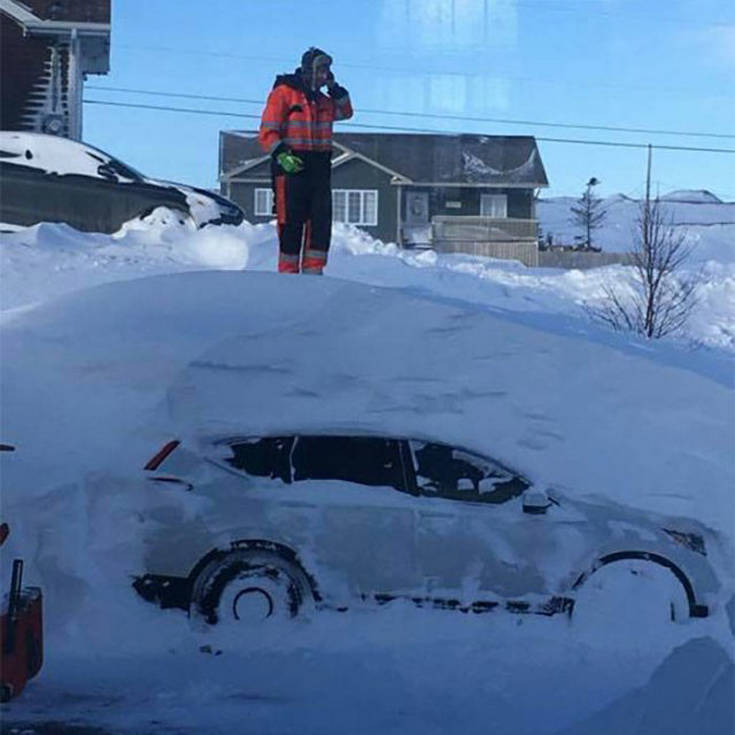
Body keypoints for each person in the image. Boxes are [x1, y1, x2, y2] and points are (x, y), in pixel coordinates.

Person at [258, 47, 353, 274]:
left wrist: (334, 88)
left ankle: (314, 274)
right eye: (321, 69)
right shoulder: (284, 93)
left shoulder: (324, 100)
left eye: (327, 70)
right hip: (292, 166)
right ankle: (288, 276)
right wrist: (282, 154)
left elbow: (346, 111)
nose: (324, 74)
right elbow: (267, 131)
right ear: (308, 69)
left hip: (319, 166)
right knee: (291, 223)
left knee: (319, 223)